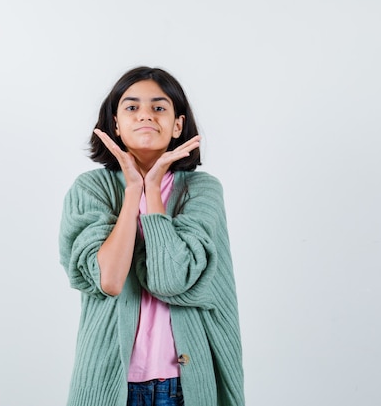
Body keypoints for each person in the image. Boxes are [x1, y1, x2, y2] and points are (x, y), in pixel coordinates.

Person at [59, 66, 244, 406]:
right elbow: (109, 281)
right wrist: (134, 191)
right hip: (109, 384)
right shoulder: (91, 189)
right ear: (115, 124)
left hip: (183, 387)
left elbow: (170, 279)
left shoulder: (202, 191)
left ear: (177, 125)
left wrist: (154, 190)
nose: (145, 115)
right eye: (131, 107)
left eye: (159, 107)